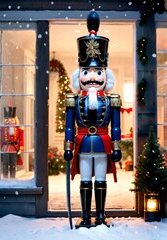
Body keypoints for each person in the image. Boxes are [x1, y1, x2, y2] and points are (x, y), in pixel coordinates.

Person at [64, 10, 122, 226]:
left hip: (103, 144)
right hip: (82, 144)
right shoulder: (73, 100)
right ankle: (86, 215)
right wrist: (68, 145)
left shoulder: (112, 100)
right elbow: (69, 126)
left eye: (98, 73)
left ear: (106, 76)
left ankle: (100, 215)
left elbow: (116, 126)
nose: (92, 78)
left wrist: (117, 146)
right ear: (79, 76)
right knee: (85, 180)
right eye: (86, 72)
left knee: (101, 179)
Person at [0, 105, 23, 178]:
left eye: (11, 119)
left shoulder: (17, 128)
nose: (9, 121)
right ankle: (5, 179)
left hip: (14, 148)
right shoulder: (2, 128)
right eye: (7, 119)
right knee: (5, 164)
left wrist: (21, 148)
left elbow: (21, 138)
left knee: (13, 164)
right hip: (5, 148)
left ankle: (13, 179)